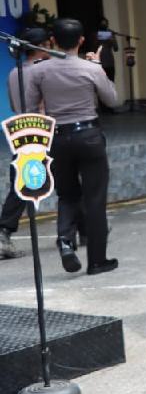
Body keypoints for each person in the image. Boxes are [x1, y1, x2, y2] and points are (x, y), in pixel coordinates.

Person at [25, 18, 118, 275]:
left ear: (52, 40)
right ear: (81, 41)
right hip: (88, 134)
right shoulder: (90, 68)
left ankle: (65, 241)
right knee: (94, 199)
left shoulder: (39, 70)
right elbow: (112, 99)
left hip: (57, 137)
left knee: (67, 195)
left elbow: (32, 109)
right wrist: (98, 66)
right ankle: (97, 260)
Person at [0, 27, 51, 260]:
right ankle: (84, 229)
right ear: (43, 47)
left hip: (22, 132)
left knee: (22, 183)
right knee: (69, 179)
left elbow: (13, 105)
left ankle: (3, 232)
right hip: (44, 131)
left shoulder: (14, 72)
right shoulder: (46, 71)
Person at [93, 17, 118, 83]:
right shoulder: (95, 34)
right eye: (103, 24)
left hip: (110, 62)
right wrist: (100, 38)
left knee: (111, 83)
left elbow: (116, 49)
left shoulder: (110, 34)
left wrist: (112, 40)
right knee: (101, 84)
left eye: (106, 24)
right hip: (100, 62)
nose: (105, 26)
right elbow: (93, 48)